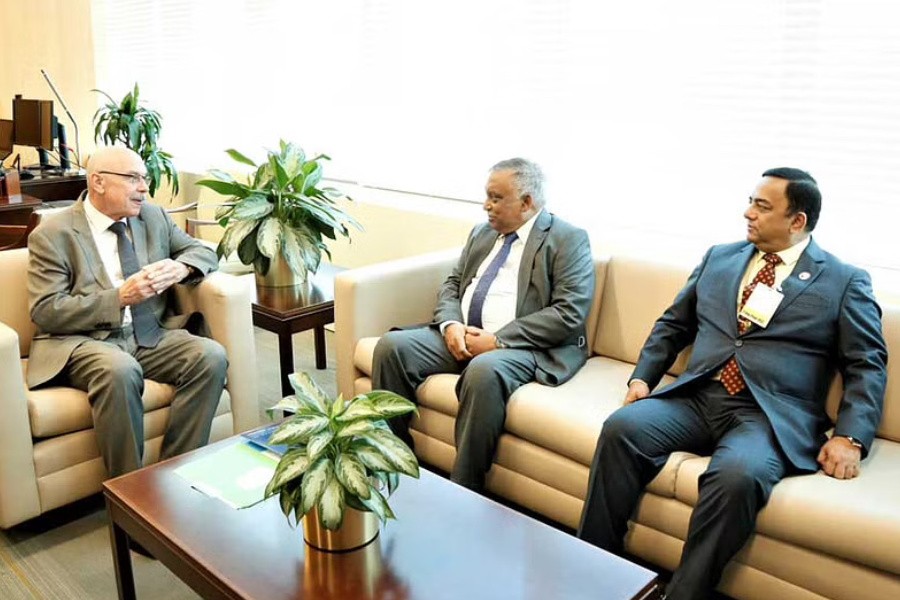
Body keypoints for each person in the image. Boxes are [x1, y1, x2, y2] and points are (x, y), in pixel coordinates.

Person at [577, 168, 887, 600]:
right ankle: (594, 568)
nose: (748, 213)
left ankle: (684, 593)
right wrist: (642, 378)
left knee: (739, 475)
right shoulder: (719, 258)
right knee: (622, 428)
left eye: (762, 206)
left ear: (797, 221)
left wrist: (851, 437)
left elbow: (866, 363)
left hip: (767, 416)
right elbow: (673, 324)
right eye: (751, 201)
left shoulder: (843, 280)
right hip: (697, 396)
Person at [373, 157, 595, 491]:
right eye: (486, 196)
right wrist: (450, 325)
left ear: (527, 202)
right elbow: (452, 283)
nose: (486, 206)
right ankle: (394, 461)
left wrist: (497, 341)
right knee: (393, 348)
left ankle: (465, 488)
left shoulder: (567, 239)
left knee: (484, 370)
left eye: (495, 197)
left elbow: (568, 312)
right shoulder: (482, 233)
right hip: (462, 335)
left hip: (526, 346)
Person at [26, 146, 227, 480]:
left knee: (210, 355)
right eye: (133, 178)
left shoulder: (154, 217)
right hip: (86, 342)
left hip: (149, 335)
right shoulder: (52, 234)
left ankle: (174, 474)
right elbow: (46, 310)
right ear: (98, 182)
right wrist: (119, 297)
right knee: (119, 369)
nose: (144, 188)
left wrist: (180, 269)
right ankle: (131, 494)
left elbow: (202, 251)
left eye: (144, 178)